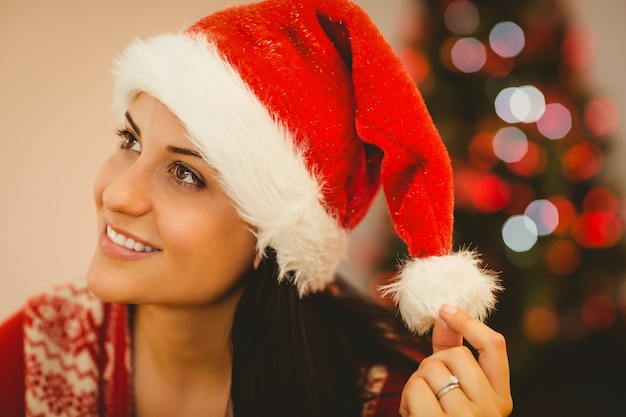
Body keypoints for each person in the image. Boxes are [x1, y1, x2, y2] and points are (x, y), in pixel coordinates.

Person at [0, 0, 512, 416]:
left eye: (186, 174)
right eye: (129, 141)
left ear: (272, 238)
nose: (117, 194)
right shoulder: (32, 355)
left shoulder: (385, 401)